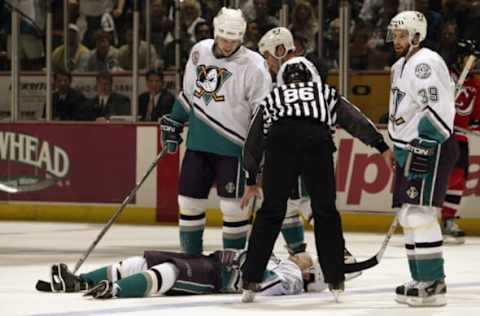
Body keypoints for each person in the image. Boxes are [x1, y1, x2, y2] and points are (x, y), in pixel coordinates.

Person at [240, 57, 393, 303]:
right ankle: (335, 279)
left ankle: (250, 280)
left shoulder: (272, 97)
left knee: (270, 213)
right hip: (316, 141)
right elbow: (354, 119)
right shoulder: (324, 92)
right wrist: (381, 146)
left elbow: (253, 139)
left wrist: (250, 178)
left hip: (280, 143)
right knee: (325, 212)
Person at [159, 7, 271, 256]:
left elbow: (262, 114)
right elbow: (190, 94)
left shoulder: (254, 65)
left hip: (234, 149)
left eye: (234, 40)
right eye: (224, 39)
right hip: (198, 145)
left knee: (234, 209)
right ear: (216, 33)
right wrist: (175, 121)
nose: (228, 45)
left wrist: (257, 155)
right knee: (188, 203)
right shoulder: (199, 51)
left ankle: (233, 264)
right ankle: (190, 260)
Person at [386, 11, 457, 307]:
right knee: (408, 215)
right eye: (395, 35)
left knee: (420, 214)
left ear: (417, 36)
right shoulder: (399, 66)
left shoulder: (425, 63)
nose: (397, 40)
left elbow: (438, 108)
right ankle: (420, 278)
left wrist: (425, 145)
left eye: (403, 35)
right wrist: (398, 145)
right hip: (410, 147)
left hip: (430, 146)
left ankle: (434, 282)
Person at [47, 249, 327, 299]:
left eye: (307, 259)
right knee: (141, 262)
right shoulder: (281, 263)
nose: (304, 255)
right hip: (210, 261)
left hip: (215, 277)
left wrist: (292, 268)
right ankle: (79, 282)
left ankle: (115, 290)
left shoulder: (289, 280)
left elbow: (262, 288)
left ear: (309, 274)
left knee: (168, 272)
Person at [441, 40, 480, 244]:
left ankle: (448, 219)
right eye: (468, 59)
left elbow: (474, 117)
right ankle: (426, 213)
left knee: (459, 178)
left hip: (461, 137)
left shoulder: (474, 83)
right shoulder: (444, 76)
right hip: (442, 135)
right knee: (447, 176)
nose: (472, 64)